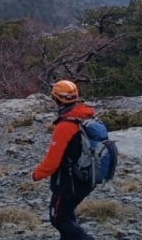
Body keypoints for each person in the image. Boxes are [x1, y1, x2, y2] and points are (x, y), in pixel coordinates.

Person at [31, 80, 97, 240]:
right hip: (87, 177)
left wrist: (36, 175)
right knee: (67, 214)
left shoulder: (65, 125)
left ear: (57, 99)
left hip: (69, 183)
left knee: (59, 218)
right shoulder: (85, 116)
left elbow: (52, 162)